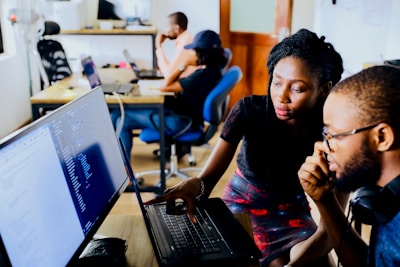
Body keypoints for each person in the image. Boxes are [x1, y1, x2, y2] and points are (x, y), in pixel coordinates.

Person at [145, 28, 344, 267]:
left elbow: (332, 229)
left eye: (297, 88)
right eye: (277, 83)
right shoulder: (249, 111)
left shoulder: (334, 135)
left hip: (292, 213)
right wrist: (195, 185)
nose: (281, 96)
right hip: (242, 205)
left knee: (320, 263)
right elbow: (207, 180)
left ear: (324, 88)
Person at [298, 65, 400, 267]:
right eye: (324, 134)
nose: (323, 147)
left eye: (333, 135)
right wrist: (325, 201)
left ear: (382, 137)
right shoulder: (385, 197)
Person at [112, 30, 228, 162]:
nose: (191, 54)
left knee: (120, 117)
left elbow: (166, 86)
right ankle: (121, 166)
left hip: (180, 122)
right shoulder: (214, 71)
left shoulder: (201, 76)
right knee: (117, 115)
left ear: (201, 53)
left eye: (193, 51)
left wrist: (183, 65)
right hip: (185, 117)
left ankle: (123, 169)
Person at [155, 11, 194, 80]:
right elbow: (171, 68)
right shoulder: (185, 39)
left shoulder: (185, 43)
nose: (165, 31)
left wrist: (158, 46)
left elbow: (169, 74)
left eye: (167, 27)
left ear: (176, 28)